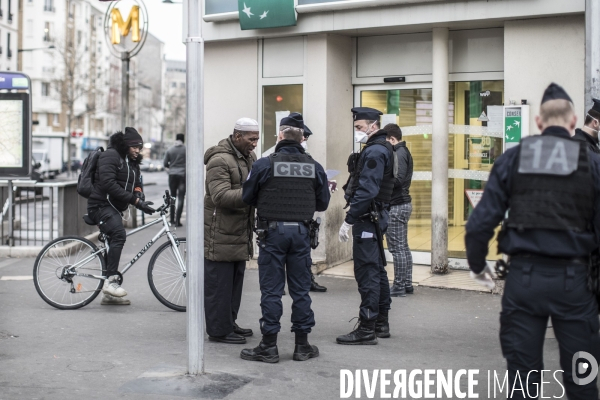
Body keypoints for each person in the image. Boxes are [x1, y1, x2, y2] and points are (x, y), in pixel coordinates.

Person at [465, 83, 600, 399]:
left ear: (539, 122)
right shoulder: (593, 163)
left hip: (523, 282)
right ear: (573, 121)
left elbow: (480, 224)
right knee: (583, 380)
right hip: (577, 285)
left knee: (522, 382)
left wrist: (477, 267)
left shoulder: (513, 159)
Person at [241, 112, 330, 363]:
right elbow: (322, 203)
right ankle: (302, 346)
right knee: (301, 290)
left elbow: (247, 198)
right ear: (302, 138)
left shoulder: (264, 164)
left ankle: (269, 346)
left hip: (272, 233)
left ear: (280, 135)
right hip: (301, 233)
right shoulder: (314, 166)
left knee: (271, 291)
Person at [337, 107, 395, 345]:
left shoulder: (375, 151)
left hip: (367, 218)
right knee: (377, 269)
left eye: (359, 127)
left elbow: (368, 189)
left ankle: (367, 328)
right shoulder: (383, 148)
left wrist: (349, 219)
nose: (357, 132)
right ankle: (381, 322)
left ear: (373, 125)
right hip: (376, 215)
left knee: (367, 271)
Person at [203, 118, 259, 344]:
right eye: (251, 139)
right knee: (220, 285)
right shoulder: (219, 160)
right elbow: (220, 196)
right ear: (237, 136)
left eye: (256, 139)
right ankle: (218, 330)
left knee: (235, 284)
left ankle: (229, 323)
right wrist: (253, 193)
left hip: (239, 230)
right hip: (221, 233)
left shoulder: (249, 157)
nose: (255, 143)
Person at [87, 128, 156, 305]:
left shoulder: (131, 161)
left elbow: (137, 182)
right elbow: (108, 184)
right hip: (100, 205)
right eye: (134, 147)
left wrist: (139, 195)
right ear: (125, 145)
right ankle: (110, 282)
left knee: (113, 241)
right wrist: (135, 201)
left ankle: (108, 295)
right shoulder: (110, 156)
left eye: (139, 147)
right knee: (119, 234)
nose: (137, 151)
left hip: (113, 208)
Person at [383, 123, 414, 297]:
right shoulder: (403, 152)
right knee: (403, 247)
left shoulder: (399, 153)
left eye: (386, 141)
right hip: (402, 203)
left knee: (397, 249)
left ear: (392, 139)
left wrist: (382, 183)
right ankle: (407, 283)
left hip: (396, 204)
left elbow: (399, 179)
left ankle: (399, 285)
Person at [299, 120, 328, 293]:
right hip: (295, 219)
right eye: (304, 137)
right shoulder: (270, 160)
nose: (306, 140)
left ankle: (307, 280)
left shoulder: (310, 162)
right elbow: (322, 201)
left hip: (298, 218)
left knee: (303, 256)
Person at [163, 133, 186, 226]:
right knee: (181, 198)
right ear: (183, 140)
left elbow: (165, 164)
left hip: (172, 175)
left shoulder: (170, 150)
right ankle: (178, 221)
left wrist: (171, 169)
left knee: (172, 197)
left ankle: (172, 220)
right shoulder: (186, 150)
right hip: (182, 176)